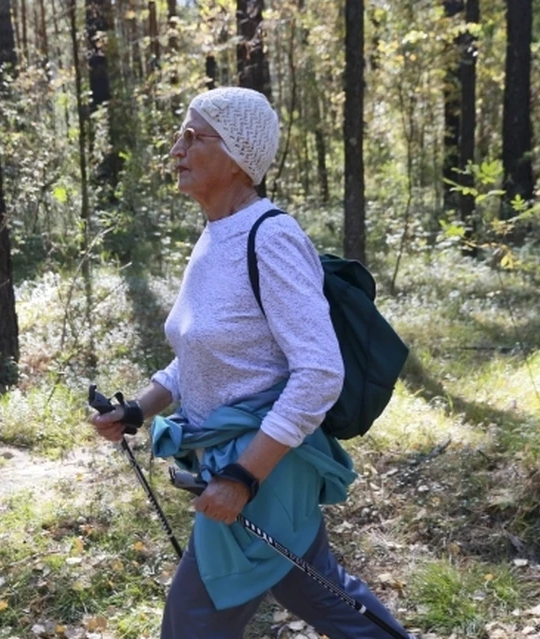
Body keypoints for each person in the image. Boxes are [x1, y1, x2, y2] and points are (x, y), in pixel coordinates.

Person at [89, 87, 413, 639]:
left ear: (240, 156)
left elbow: (319, 372)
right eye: (179, 135)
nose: (177, 149)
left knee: (193, 621)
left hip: (262, 468)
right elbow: (198, 356)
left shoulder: (271, 238)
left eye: (194, 137)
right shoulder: (216, 236)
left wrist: (243, 477)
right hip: (236, 463)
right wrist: (138, 411)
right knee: (320, 590)